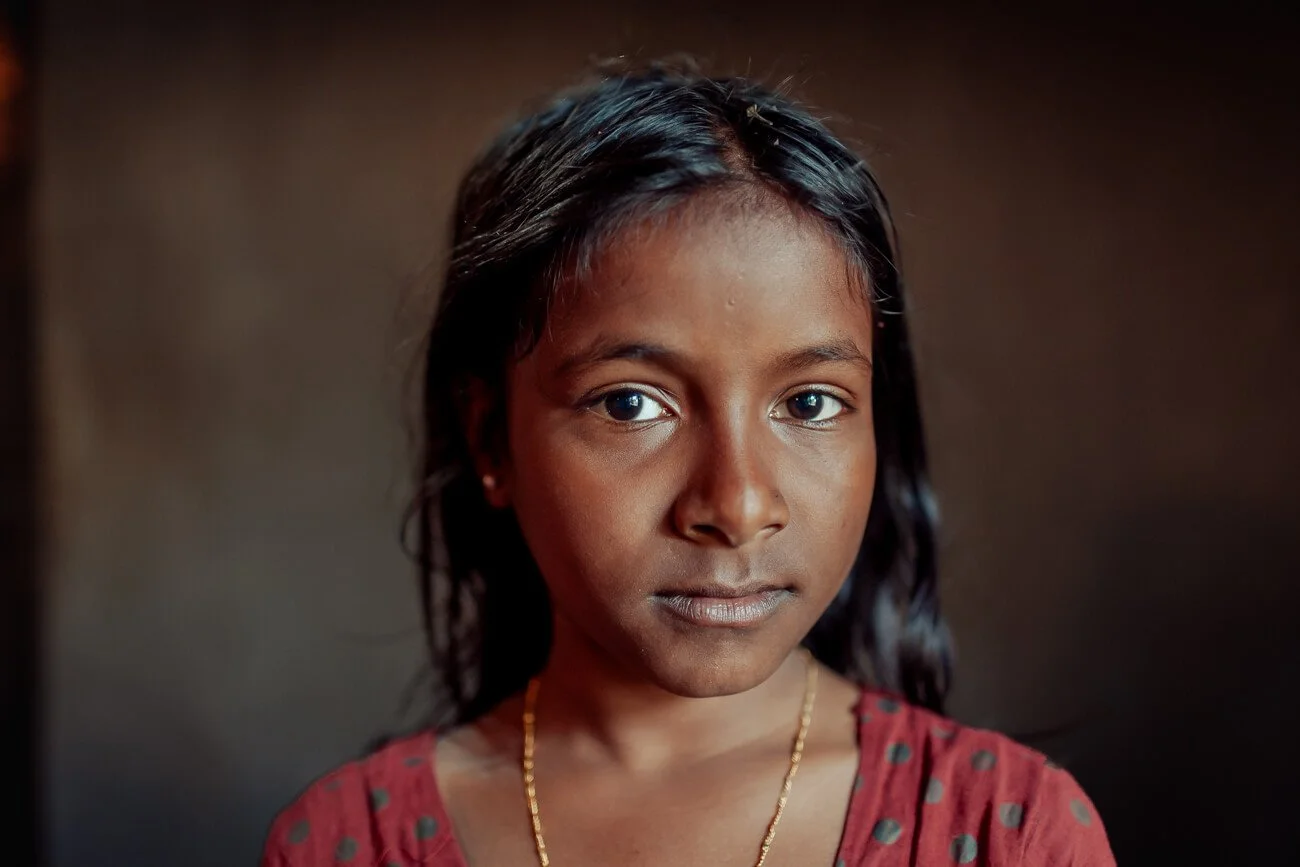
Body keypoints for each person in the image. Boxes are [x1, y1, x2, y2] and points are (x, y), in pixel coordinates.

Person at [261, 60, 1115, 866]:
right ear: (491, 439)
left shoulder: (1010, 833)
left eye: (810, 402)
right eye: (632, 403)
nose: (737, 503)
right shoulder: (348, 843)